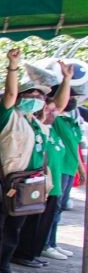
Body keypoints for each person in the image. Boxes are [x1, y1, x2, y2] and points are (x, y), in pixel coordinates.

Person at [0, 50, 71, 273]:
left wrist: (67, 79)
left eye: (40, 96)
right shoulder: (8, 118)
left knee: (15, 226)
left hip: (28, 183)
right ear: (19, 97)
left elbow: (58, 106)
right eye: (31, 94)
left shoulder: (36, 122)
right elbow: (9, 93)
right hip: (4, 181)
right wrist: (13, 66)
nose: (37, 99)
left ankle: (4, 263)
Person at [15, 96, 73, 265]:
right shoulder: (33, 127)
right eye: (48, 109)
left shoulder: (50, 130)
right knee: (32, 223)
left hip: (51, 184)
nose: (52, 112)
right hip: (37, 182)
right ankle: (24, 254)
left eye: (53, 109)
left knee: (44, 222)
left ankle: (35, 252)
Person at [43, 96, 83, 259]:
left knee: (58, 209)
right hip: (58, 169)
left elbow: (75, 146)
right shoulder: (56, 121)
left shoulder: (72, 122)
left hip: (68, 168)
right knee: (53, 208)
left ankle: (52, 242)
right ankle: (46, 244)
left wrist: (80, 169)